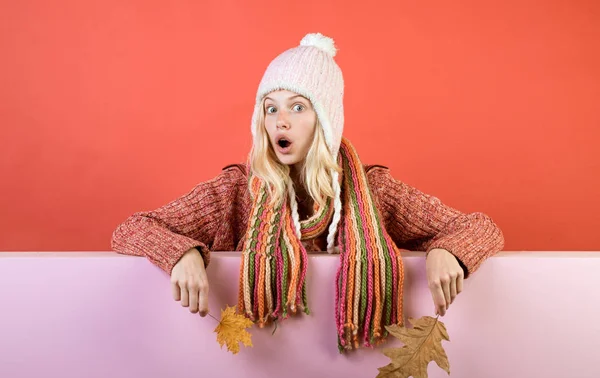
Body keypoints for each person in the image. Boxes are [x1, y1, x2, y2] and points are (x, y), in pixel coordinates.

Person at [111, 33, 504, 351]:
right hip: (256, 366)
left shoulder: (376, 192)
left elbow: (480, 228)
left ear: (326, 120)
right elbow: (131, 228)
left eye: (298, 107)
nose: (281, 120)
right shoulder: (235, 192)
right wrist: (179, 254)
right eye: (270, 108)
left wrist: (445, 249)